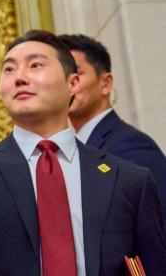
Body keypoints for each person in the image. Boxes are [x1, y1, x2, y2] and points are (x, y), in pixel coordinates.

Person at [0, 30, 166, 276]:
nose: (19, 78)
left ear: (72, 84)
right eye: (9, 69)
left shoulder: (128, 179)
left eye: (35, 65)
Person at [61, 32, 166, 226]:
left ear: (106, 83)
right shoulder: (68, 151)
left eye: (76, 73)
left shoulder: (131, 145)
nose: (69, 84)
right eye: (61, 75)